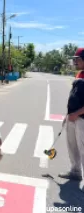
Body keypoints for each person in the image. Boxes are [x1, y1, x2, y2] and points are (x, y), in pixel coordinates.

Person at [59, 48, 84, 184]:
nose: (75, 62)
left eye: (77, 59)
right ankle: (75, 171)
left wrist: (77, 113)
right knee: (72, 146)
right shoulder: (79, 74)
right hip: (72, 117)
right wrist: (68, 115)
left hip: (81, 119)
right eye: (74, 59)